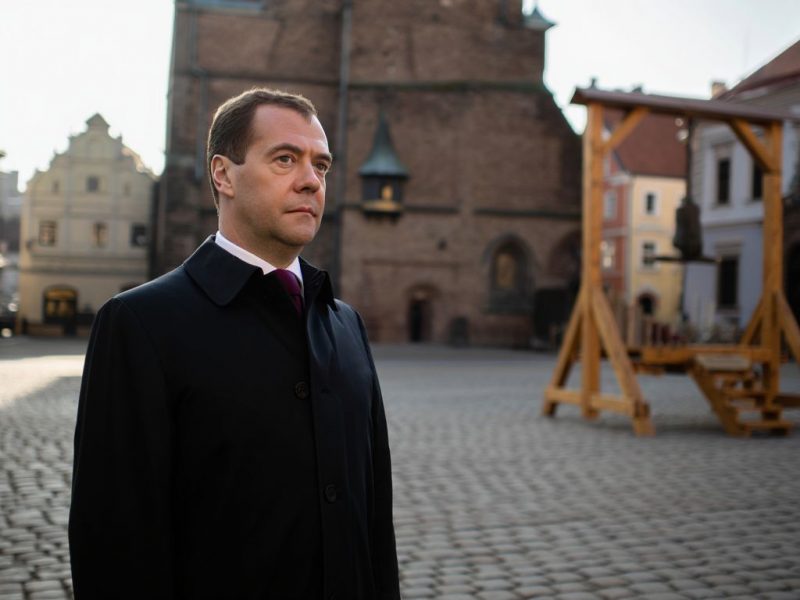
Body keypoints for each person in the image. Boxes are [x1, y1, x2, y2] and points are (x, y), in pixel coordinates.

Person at [68, 88, 400, 599]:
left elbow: (375, 515)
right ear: (223, 175)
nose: (311, 180)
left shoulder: (345, 323)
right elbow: (115, 539)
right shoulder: (140, 322)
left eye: (321, 165)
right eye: (285, 159)